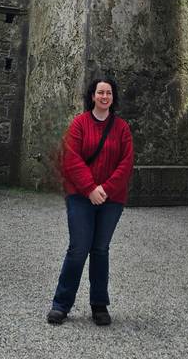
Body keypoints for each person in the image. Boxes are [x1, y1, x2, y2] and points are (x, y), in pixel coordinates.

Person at [47, 75, 134, 326]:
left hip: (111, 198)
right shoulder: (80, 124)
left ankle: (99, 305)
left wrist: (104, 189)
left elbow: (125, 163)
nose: (104, 97)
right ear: (92, 96)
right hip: (80, 197)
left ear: (113, 98)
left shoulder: (122, 129)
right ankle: (61, 305)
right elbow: (71, 159)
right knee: (78, 248)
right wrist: (90, 188)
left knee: (100, 249)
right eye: (100, 93)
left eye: (108, 93)